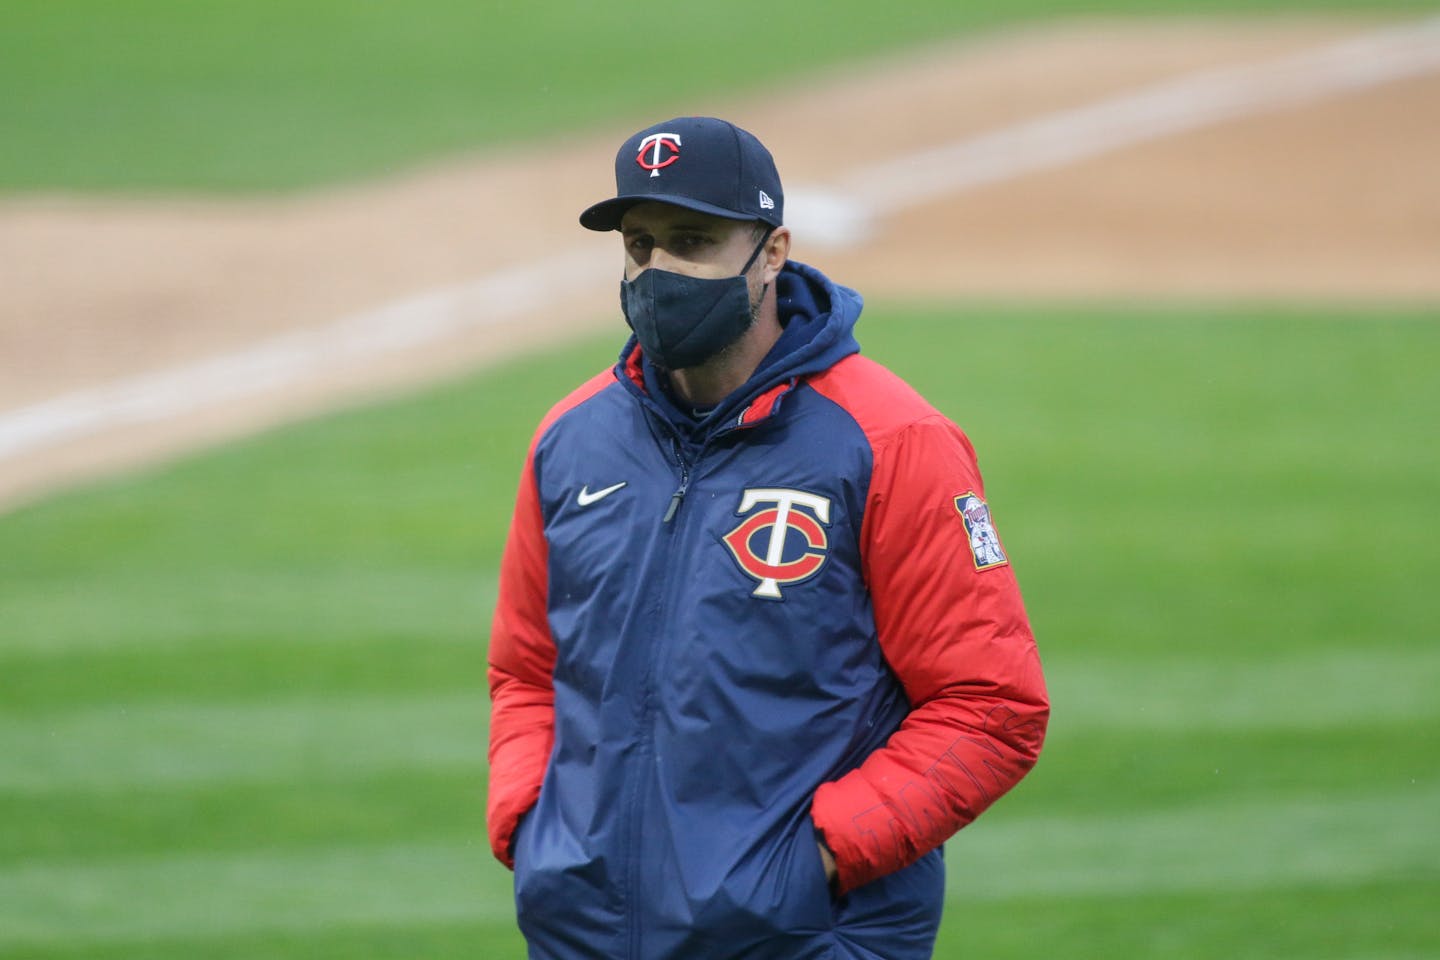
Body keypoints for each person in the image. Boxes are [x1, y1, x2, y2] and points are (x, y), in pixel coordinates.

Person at [487, 116, 1048, 960]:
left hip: (803, 936)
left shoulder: (889, 439)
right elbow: (527, 670)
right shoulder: (572, 438)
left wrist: (806, 866)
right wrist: (538, 836)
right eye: (640, 246)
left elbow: (991, 706)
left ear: (774, 251)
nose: (658, 272)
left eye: (693, 240)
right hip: (586, 934)